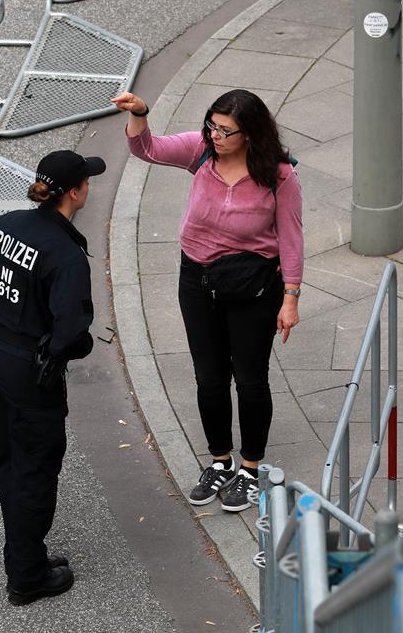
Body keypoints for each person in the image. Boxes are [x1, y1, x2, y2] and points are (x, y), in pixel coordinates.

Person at [112, 88, 303, 512]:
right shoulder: (200, 151)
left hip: (253, 286)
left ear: (250, 134)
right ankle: (220, 461)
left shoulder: (279, 175)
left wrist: (290, 297)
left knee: (250, 378)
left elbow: (291, 237)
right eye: (212, 126)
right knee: (209, 377)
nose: (215, 135)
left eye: (226, 130)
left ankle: (250, 469)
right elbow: (148, 149)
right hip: (197, 279)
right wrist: (141, 114)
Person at [0, 149, 106, 605]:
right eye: (87, 181)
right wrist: (56, 341)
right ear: (76, 192)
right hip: (28, 371)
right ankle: (27, 576)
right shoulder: (66, 253)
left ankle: (28, 555)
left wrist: (10, 317)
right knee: (36, 467)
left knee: (9, 457)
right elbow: (70, 335)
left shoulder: (8, 225)